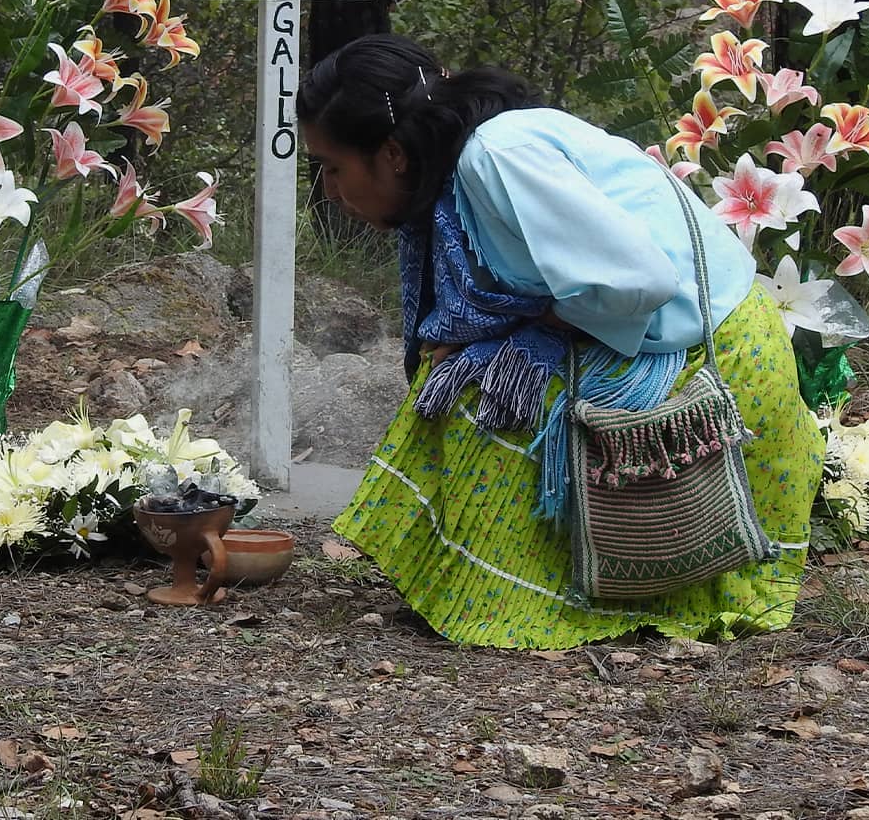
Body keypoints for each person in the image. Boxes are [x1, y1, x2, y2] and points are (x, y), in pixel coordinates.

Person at [299, 34, 825, 650]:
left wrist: (538, 327)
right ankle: (480, 585)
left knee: (478, 400)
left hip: (711, 350)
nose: (331, 190)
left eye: (333, 167)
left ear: (391, 154)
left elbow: (642, 280)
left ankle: (538, 595)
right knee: (459, 372)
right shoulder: (479, 156)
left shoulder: (494, 158)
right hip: (664, 326)